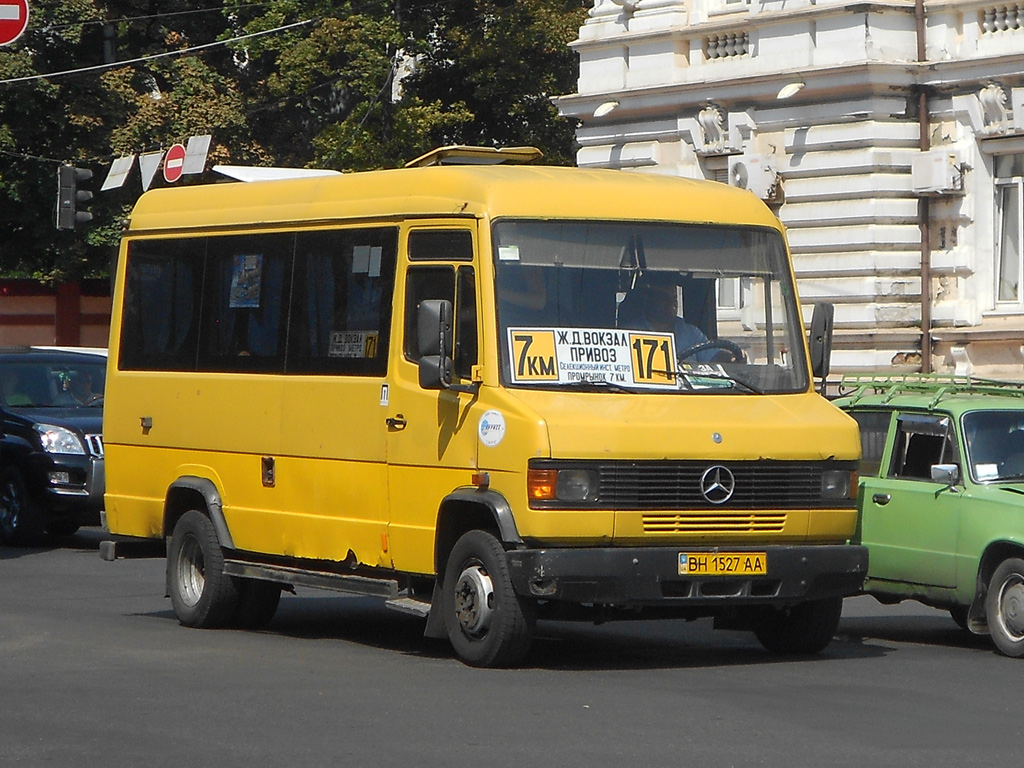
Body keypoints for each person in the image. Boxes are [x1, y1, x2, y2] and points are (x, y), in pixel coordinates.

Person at [618, 283, 719, 363]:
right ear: (650, 301)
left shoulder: (691, 333)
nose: (672, 303)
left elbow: (714, 356)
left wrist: (730, 358)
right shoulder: (629, 333)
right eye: (664, 298)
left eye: (674, 298)